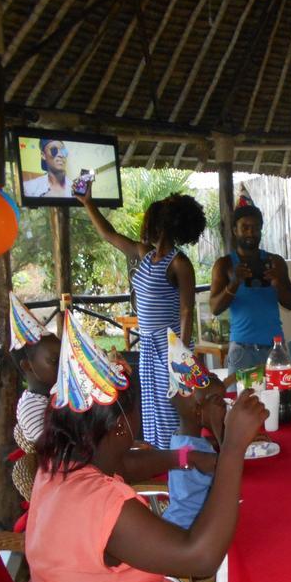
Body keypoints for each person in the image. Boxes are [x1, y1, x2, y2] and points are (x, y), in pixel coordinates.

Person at [26, 309, 266, 582]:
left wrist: (184, 456)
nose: (139, 426)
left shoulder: (61, 466)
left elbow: (127, 459)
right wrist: (231, 450)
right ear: (120, 427)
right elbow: (200, 554)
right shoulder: (101, 505)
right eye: (134, 417)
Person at [79, 191, 203, 449]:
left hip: (168, 348)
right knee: (154, 412)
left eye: (150, 221)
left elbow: (186, 311)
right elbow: (109, 234)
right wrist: (88, 202)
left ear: (163, 226)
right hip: (148, 345)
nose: (145, 227)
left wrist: (179, 355)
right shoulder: (144, 253)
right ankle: (160, 463)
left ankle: (181, 464)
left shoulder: (179, 263)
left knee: (173, 411)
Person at [209, 186, 291, 371]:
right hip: (242, 350)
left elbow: (290, 304)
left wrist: (277, 284)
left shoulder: (275, 262)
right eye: (245, 227)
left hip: (275, 348)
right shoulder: (224, 265)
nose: (250, 232)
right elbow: (215, 308)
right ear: (234, 230)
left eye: (255, 228)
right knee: (240, 400)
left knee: (281, 399)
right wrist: (235, 283)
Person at [163, 330, 227, 528]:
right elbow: (229, 471)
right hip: (188, 530)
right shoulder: (195, 455)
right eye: (218, 401)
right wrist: (219, 428)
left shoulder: (181, 438)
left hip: (184, 523)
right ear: (198, 410)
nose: (223, 406)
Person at [8, 292, 60, 447]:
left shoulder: (57, 392)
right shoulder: (30, 407)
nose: (63, 365)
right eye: (54, 361)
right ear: (28, 366)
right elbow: (53, 450)